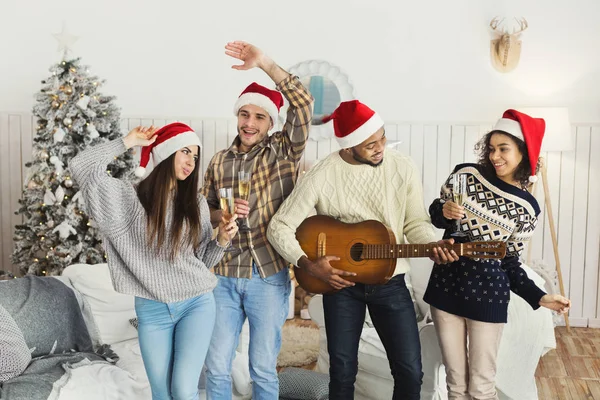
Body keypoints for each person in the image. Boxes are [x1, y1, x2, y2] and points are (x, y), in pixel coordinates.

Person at [267, 99, 459, 400]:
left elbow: (415, 222)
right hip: (340, 286)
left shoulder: (402, 166)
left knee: (410, 370)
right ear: (347, 147)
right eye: (370, 144)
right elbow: (279, 226)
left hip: (391, 283)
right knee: (342, 372)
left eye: (382, 137)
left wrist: (432, 244)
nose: (381, 147)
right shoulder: (323, 173)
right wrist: (308, 264)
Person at [70, 123, 238, 400]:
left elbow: (202, 261)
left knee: (184, 391)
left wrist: (220, 240)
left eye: (195, 156)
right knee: (161, 394)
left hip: (196, 303)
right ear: (166, 152)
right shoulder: (129, 200)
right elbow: (81, 165)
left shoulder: (194, 204)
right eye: (185, 151)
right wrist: (127, 141)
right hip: (152, 311)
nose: (191, 162)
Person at [424, 109, 571, 400]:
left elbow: (510, 262)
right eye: (491, 148)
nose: (495, 156)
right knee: (454, 384)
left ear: (523, 153)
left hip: (487, 297)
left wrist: (540, 297)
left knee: (481, 387)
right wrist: (442, 211)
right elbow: (438, 218)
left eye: (504, 149)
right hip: (445, 289)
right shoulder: (465, 174)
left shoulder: (527, 208)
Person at [202, 41, 314, 400]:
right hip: (223, 275)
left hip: (267, 273)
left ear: (270, 122)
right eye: (244, 114)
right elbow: (204, 210)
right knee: (217, 363)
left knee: (263, 367)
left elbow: (303, 103)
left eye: (259, 116)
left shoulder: (284, 151)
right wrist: (222, 214)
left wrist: (263, 62)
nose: (249, 123)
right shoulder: (219, 161)